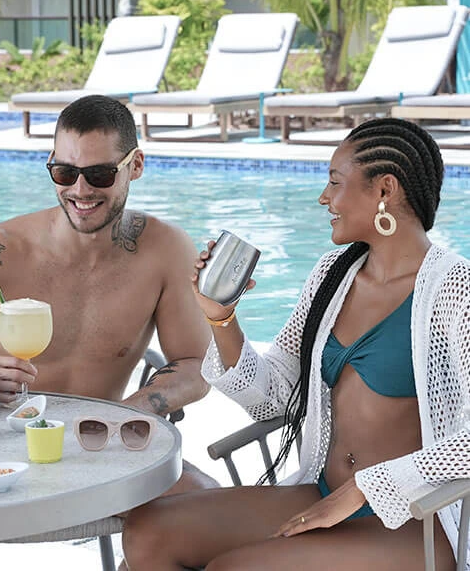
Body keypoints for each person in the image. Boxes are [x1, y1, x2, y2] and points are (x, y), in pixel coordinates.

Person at [122, 117, 470, 571]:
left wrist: (367, 487)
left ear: (385, 190)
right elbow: (275, 399)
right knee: (149, 533)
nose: (324, 197)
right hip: (323, 493)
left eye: (335, 182)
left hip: (415, 522)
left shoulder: (455, 288)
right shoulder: (332, 275)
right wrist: (220, 315)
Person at [0, 94, 216, 571]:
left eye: (100, 174)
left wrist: (131, 411)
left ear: (136, 166)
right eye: (64, 173)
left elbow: (196, 365)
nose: (80, 189)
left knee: (212, 523)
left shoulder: (164, 250)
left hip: (100, 447)